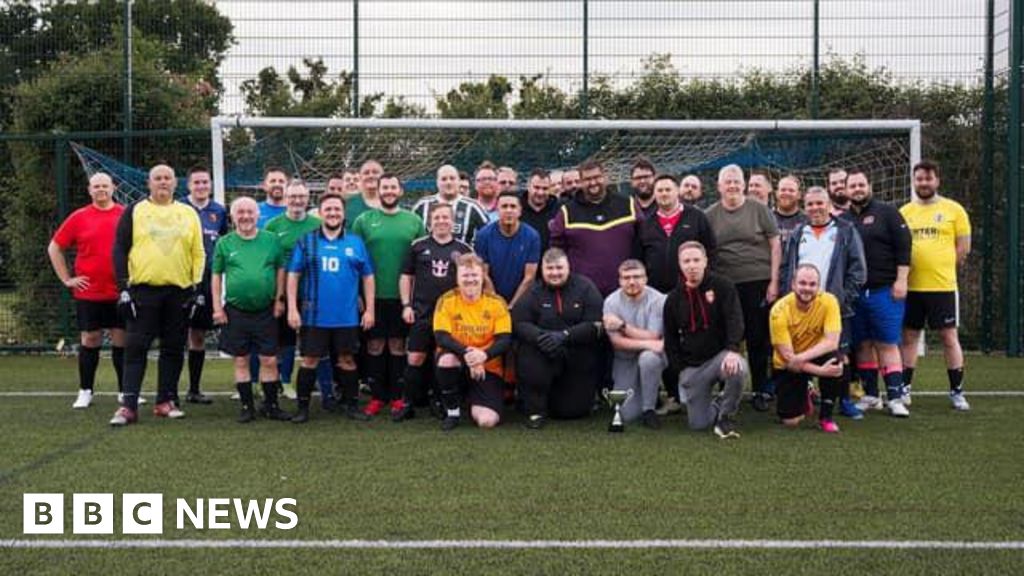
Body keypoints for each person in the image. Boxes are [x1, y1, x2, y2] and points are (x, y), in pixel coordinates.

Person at [109, 164, 205, 426]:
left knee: (173, 348)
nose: (163, 182)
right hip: (143, 291)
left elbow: (198, 252)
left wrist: (197, 288)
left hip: (179, 293)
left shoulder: (188, 213)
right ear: (149, 183)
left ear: (175, 183)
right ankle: (128, 406)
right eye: (158, 178)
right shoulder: (135, 211)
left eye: (167, 178)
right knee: (136, 347)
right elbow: (120, 249)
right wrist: (123, 288)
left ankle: (165, 401)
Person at [779, 187, 867, 419]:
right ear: (804, 207)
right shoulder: (798, 232)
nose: (815, 208)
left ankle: (844, 401)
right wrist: (786, 295)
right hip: (802, 306)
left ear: (829, 205)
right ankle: (804, 397)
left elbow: (858, 270)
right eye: (810, 204)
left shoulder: (846, 230)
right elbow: (787, 267)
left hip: (833, 307)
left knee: (840, 354)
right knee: (802, 350)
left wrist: (842, 299)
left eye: (820, 203)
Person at [286, 193, 375, 423]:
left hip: (347, 316)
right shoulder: (306, 241)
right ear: (320, 213)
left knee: (347, 359)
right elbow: (293, 275)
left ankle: (351, 406)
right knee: (310, 360)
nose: (333, 213)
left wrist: (370, 309)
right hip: (314, 316)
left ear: (344, 214)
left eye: (337, 209)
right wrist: (293, 309)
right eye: (328, 209)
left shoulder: (355, 242)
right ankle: (302, 408)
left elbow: (368, 277)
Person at [705, 164, 781, 412]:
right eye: (727, 181)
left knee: (758, 338)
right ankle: (724, 390)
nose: (732, 185)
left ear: (744, 184)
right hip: (725, 286)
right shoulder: (709, 215)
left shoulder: (759, 210)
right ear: (719, 186)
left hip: (757, 281)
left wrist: (774, 281)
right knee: (725, 337)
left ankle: (760, 389)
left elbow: (775, 245)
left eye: (736, 181)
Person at [48, 172, 126, 409]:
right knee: (90, 339)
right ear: (89, 190)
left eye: (105, 185)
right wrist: (67, 279)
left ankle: (126, 392)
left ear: (113, 188)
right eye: (96, 186)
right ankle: (86, 391)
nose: (101, 189)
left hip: (120, 291)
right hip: (89, 292)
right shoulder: (79, 217)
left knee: (122, 339)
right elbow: (54, 247)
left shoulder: (126, 215)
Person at [899, 160, 972, 411]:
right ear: (914, 181)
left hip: (943, 287)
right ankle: (904, 389)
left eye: (928, 178)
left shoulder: (954, 210)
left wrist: (942, 266)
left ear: (937, 181)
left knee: (949, 337)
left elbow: (963, 247)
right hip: (911, 287)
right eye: (919, 178)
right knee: (909, 337)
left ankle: (957, 391)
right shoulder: (905, 211)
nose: (924, 183)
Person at [351, 174, 425, 418]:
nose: (389, 191)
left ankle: (397, 396)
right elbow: (354, 259)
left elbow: (421, 259)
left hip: (403, 297)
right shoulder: (364, 220)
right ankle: (376, 396)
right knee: (374, 345)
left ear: (400, 191)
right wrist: (358, 294)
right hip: (372, 295)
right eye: (385, 187)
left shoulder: (413, 221)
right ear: (378, 190)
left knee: (397, 345)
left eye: (394, 187)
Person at [211, 197, 290, 423]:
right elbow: (216, 276)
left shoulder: (271, 240)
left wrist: (279, 300)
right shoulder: (224, 243)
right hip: (236, 311)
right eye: (240, 212)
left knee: (269, 360)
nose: (245, 216)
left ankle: (271, 405)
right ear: (233, 217)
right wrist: (217, 308)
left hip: (266, 311)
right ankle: (247, 407)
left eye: (249, 212)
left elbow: (280, 270)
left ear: (257, 215)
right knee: (241, 360)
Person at [395, 203, 473, 421]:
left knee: (444, 358)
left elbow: (472, 280)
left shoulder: (464, 249)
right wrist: (406, 305)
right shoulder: (418, 246)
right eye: (437, 217)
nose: (441, 221)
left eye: (445, 217)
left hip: (451, 317)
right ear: (430, 221)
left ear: (452, 221)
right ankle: (407, 403)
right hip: (422, 313)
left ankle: (441, 402)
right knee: (415, 357)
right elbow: (406, 276)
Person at [513, 248, 604, 428]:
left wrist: (565, 335)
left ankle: (569, 399)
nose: (555, 273)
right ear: (542, 270)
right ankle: (535, 410)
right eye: (550, 268)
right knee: (527, 354)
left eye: (559, 268)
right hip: (543, 351)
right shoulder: (533, 291)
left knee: (570, 412)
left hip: (575, 352)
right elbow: (520, 322)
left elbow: (595, 324)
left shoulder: (586, 287)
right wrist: (540, 336)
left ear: (568, 267)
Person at [847, 169, 913, 417]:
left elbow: (904, 247)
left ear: (869, 186)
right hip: (855, 294)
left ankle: (895, 397)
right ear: (846, 190)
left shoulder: (888, 212)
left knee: (887, 343)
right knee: (863, 344)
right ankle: (872, 395)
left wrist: (902, 280)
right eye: (852, 185)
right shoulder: (844, 220)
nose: (857, 189)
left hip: (884, 290)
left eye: (860, 184)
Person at [663, 242, 746, 439]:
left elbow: (735, 320)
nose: (691, 265)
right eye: (686, 261)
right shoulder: (673, 299)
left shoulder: (724, 286)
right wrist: (680, 370)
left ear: (705, 261)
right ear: (680, 264)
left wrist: (733, 350)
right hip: (693, 367)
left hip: (721, 357)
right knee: (699, 425)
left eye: (696, 260)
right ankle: (718, 404)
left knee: (738, 368)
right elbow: (670, 339)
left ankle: (726, 417)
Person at [264, 181, 328, 404]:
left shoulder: (317, 224)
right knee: (285, 340)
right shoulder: (273, 225)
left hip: (313, 293)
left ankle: (324, 387)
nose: (297, 201)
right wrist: (278, 296)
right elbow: (270, 261)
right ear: (286, 198)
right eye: (293, 196)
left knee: (316, 341)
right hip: (283, 292)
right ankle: (284, 381)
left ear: (308, 198)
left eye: (301, 196)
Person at [433, 253, 513, 431]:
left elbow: (504, 340)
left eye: (474, 275)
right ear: (457, 278)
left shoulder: (497, 302)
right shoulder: (446, 300)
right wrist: (469, 355)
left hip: (487, 366)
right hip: (458, 360)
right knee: (447, 360)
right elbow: (442, 337)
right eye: (465, 275)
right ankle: (453, 411)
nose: (470, 280)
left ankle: (470, 399)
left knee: (487, 421)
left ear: (482, 276)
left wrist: (483, 356)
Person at [549, 160, 643, 297]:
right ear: (581, 182)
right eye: (587, 179)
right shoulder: (567, 212)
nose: (593, 183)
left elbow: (644, 242)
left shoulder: (628, 205)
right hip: (583, 294)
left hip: (627, 290)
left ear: (605, 177)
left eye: (597, 177)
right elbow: (556, 252)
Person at [769, 264, 845, 433]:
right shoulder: (778, 311)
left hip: (810, 355)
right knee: (791, 421)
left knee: (836, 362)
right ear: (793, 285)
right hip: (788, 365)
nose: (807, 288)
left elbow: (832, 342)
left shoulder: (829, 301)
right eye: (802, 283)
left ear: (818, 287)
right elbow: (789, 359)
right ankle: (807, 391)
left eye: (812, 284)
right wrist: (820, 371)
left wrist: (802, 358)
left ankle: (826, 417)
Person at [182, 165, 227, 405]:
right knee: (176, 334)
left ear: (210, 185)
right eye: (196, 182)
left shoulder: (219, 211)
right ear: (189, 185)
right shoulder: (179, 208)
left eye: (204, 182)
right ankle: (168, 392)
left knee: (198, 334)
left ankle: (194, 389)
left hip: (208, 280)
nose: (201, 186)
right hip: (181, 280)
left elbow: (225, 243)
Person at [603, 260, 667, 429]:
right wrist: (649, 343)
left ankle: (649, 409)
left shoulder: (659, 300)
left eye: (637, 277)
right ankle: (649, 392)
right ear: (620, 281)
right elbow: (617, 343)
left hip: (654, 356)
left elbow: (654, 335)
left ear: (645, 279)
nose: (632, 282)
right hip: (625, 358)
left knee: (648, 358)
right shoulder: (611, 302)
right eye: (626, 278)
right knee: (627, 414)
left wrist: (622, 326)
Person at [639, 174, 717, 294]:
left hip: (691, 290)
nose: (664, 193)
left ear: (677, 191)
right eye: (660, 190)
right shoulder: (646, 223)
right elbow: (639, 256)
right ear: (654, 194)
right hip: (656, 292)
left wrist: (706, 279)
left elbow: (711, 250)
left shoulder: (697, 217)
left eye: (668, 190)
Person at [474, 191, 541, 306]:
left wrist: (513, 306)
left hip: (521, 302)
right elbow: (483, 274)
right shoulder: (483, 235)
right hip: (491, 300)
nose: (509, 210)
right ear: (497, 210)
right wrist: (497, 304)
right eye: (504, 206)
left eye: (513, 206)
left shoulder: (532, 236)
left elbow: (529, 277)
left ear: (520, 211)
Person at [412, 164, 489, 245]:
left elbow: (489, 234)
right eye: (444, 179)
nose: (448, 182)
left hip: (462, 252)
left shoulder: (473, 207)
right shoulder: (422, 205)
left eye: (452, 178)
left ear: (458, 181)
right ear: (437, 182)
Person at [520, 168, 560, 253]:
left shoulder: (558, 210)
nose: (540, 192)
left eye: (545, 188)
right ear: (528, 186)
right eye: (536, 187)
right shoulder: (517, 209)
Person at [344, 159, 383, 230]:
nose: (371, 175)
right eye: (366, 173)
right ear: (360, 178)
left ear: (383, 177)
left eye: (375, 172)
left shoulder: (395, 205)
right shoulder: (348, 205)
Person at [773, 175, 807, 253]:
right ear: (777, 193)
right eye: (783, 190)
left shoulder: (808, 221)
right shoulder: (766, 219)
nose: (786, 193)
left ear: (799, 195)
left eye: (791, 190)